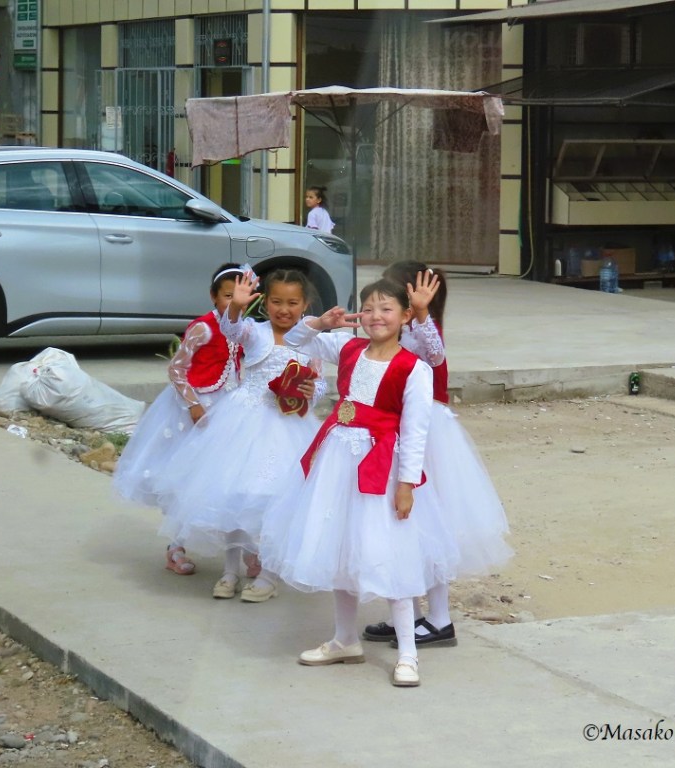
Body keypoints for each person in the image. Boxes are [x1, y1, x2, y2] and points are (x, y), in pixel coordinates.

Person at [259, 278, 459, 687]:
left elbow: (416, 430)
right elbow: (296, 341)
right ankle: (345, 639)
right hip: (338, 461)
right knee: (340, 544)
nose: (375, 316)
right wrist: (320, 321)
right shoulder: (346, 347)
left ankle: (408, 652)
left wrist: (406, 484)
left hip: (380, 465)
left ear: (405, 316)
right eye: (368, 308)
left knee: (389, 550)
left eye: (386, 309)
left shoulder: (413, 368)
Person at [361, 261, 513, 649]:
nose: (383, 310)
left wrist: (423, 314)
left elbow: (435, 350)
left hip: (427, 436)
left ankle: (440, 619)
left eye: (393, 300)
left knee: (428, 527)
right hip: (395, 434)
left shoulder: (425, 333)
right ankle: (407, 616)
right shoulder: (387, 337)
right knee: (403, 529)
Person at [152, 268, 326, 602]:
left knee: (277, 500)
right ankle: (230, 571)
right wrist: (235, 308)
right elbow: (231, 328)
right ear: (265, 304)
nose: (284, 309)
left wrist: (308, 391)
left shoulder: (311, 340)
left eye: (292, 303)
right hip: (243, 422)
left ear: (304, 305)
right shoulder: (255, 332)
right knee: (233, 494)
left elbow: (319, 383)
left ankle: (269, 575)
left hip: (288, 427)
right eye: (276, 301)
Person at [112, 263, 244, 576]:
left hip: (228, 409)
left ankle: (239, 547)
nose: (233, 303)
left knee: (226, 478)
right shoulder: (203, 328)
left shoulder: (244, 328)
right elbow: (176, 369)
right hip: (195, 409)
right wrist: (193, 404)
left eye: (240, 297)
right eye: (227, 296)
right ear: (214, 296)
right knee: (184, 478)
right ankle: (176, 544)